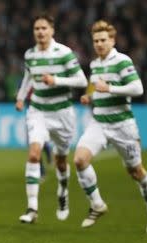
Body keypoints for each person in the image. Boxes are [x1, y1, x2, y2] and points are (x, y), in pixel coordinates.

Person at [74, 20, 147, 233]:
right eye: (96, 41)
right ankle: (97, 204)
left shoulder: (123, 61)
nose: (99, 44)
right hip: (99, 122)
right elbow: (95, 88)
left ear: (112, 40)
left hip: (123, 126)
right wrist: (89, 96)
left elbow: (137, 88)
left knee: (136, 171)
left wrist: (110, 88)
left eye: (103, 40)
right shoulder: (95, 64)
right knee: (79, 160)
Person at [15, 14, 88, 223]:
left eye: (44, 28)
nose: (40, 32)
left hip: (62, 113)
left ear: (52, 31)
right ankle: (32, 209)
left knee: (61, 161)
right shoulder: (30, 55)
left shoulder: (64, 53)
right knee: (34, 154)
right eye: (37, 28)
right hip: (38, 110)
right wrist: (21, 98)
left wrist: (55, 80)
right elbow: (29, 77)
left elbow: (81, 80)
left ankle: (63, 192)